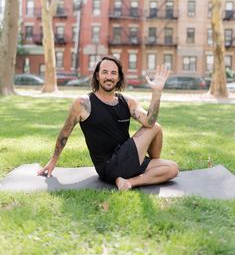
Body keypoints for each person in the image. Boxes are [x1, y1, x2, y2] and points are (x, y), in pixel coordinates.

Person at [38, 56, 178, 190]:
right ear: (97, 76)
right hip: (107, 167)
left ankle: (128, 182)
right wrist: (53, 161)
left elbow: (149, 121)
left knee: (173, 169)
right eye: (105, 72)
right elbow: (65, 133)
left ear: (118, 78)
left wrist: (157, 92)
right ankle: (135, 174)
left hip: (128, 160)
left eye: (113, 73)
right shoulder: (83, 103)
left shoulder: (127, 101)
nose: (109, 77)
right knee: (156, 128)